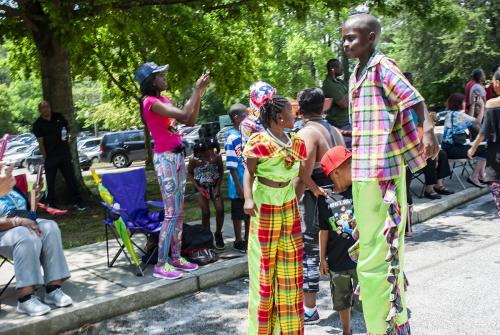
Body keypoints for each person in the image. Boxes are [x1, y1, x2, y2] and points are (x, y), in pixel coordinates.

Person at [342, 13, 440, 335]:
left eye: (351, 38)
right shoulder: (357, 73)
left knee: (379, 256)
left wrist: (429, 132)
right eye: (343, 38)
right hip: (362, 172)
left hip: (382, 173)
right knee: (371, 257)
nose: (345, 44)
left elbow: (415, 99)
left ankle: (388, 328)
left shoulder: (382, 67)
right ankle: (386, 325)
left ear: (370, 38)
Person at [243, 95, 325, 335]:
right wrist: (248, 198)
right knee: (265, 272)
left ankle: (287, 330)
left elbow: (300, 169)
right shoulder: (258, 141)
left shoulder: (296, 141)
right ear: (280, 117)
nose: (295, 114)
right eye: (291, 111)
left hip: (288, 205)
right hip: (265, 205)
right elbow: (249, 173)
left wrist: (315, 189)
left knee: (290, 272)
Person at [134, 62, 210, 280]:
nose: (164, 77)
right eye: (160, 74)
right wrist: (196, 90)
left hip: (177, 156)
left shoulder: (164, 100)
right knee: (170, 213)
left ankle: (176, 258)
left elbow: (190, 119)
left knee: (179, 213)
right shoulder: (150, 102)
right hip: (165, 159)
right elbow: (186, 115)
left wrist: (200, 93)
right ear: (151, 80)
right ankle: (161, 263)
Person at [293, 87, 345, 323]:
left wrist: (296, 201)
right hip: (342, 195)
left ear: (300, 109)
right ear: (323, 106)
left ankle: (310, 309)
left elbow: (302, 171)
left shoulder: (307, 133)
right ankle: (350, 298)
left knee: (311, 251)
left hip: (319, 198)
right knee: (341, 247)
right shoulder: (335, 130)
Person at [0, 180, 72, 316]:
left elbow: (26, 209)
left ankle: (53, 289)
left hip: (21, 223)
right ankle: (25, 298)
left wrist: (34, 194)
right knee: (25, 235)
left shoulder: (7, 182)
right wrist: (19, 222)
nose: (5, 166)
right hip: (4, 231)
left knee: (50, 227)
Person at [319, 146, 358, 335]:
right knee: (342, 300)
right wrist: (322, 258)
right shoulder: (324, 199)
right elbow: (324, 230)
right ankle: (346, 330)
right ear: (336, 172)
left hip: (360, 258)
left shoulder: (358, 190)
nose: (354, 167)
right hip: (336, 260)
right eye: (350, 164)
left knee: (367, 298)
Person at [403, 72, 454, 200]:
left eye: (411, 81)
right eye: (407, 81)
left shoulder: (414, 101)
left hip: (418, 137)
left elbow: (423, 120)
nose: (410, 84)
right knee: (429, 156)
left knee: (440, 153)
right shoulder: (400, 103)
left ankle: (439, 184)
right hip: (407, 144)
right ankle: (428, 189)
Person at [32, 101, 85, 211]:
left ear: (50, 107)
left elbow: (68, 128)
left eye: (47, 106)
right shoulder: (38, 124)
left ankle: (78, 202)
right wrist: (45, 157)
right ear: (40, 110)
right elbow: (40, 143)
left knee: (71, 179)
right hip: (50, 156)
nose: (46, 109)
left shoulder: (58, 116)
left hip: (64, 154)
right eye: (43, 107)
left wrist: (69, 136)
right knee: (50, 182)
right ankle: (52, 204)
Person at [468, 71, 500, 215]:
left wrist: (473, 149)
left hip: (496, 158)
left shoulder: (492, 103)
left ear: (497, 83)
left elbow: (484, 131)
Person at [441, 93, 487, 187]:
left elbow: (468, 118)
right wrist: (482, 106)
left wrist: (473, 104)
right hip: (455, 150)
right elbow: (477, 121)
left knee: (481, 146)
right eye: (463, 101)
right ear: (459, 103)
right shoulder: (459, 115)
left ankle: (481, 176)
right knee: (486, 148)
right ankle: (474, 176)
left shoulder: (450, 114)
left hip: (448, 149)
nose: (465, 103)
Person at [187, 137, 225, 250]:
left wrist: (217, 187)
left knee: (220, 209)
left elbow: (221, 171)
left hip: (214, 185)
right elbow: (190, 174)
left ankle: (218, 234)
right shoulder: (194, 160)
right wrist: (199, 189)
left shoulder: (217, 157)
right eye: (207, 153)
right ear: (201, 152)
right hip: (201, 186)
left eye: (212, 151)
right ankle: (207, 237)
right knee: (206, 213)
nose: (210, 155)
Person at [225, 103, 250, 252]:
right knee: (238, 214)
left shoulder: (245, 135)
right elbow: (232, 166)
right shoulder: (231, 138)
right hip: (238, 185)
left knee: (249, 213)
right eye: (245, 115)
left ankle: (248, 238)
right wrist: (239, 188)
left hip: (248, 182)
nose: (248, 118)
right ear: (236, 118)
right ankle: (238, 240)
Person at [322, 59, 352, 148]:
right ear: (332, 69)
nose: (342, 68)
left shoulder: (340, 82)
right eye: (340, 66)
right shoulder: (329, 85)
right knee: (346, 152)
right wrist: (350, 92)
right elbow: (344, 104)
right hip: (340, 125)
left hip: (348, 122)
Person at [240, 81, 275, 150]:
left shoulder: (275, 116)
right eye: (267, 99)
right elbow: (247, 152)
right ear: (257, 99)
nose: (272, 101)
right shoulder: (248, 124)